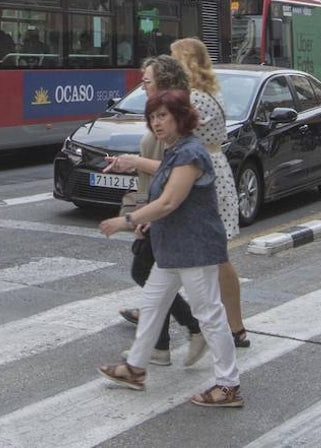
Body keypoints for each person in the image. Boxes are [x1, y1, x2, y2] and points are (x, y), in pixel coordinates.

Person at [98, 89, 242, 408]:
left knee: (209, 315)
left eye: (163, 115)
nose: (157, 123)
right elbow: (166, 196)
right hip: (173, 248)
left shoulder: (191, 152)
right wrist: (150, 216)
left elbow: (169, 201)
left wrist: (127, 220)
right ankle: (135, 368)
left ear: (181, 117)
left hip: (194, 249)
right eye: (152, 117)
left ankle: (229, 385)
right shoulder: (175, 151)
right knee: (151, 305)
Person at [104, 55, 203, 366]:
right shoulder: (160, 114)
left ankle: (193, 332)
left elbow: (178, 167)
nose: (142, 85)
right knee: (153, 278)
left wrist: (134, 164)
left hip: (168, 214)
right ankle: (159, 348)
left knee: (148, 275)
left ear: (164, 82)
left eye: (147, 80)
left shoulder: (177, 117)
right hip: (156, 210)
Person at [171, 37, 249, 348]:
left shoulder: (196, 99)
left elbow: (176, 137)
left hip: (201, 173)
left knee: (213, 256)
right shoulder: (206, 93)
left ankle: (231, 326)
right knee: (208, 254)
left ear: (186, 63)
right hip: (210, 168)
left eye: (174, 60)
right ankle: (232, 326)